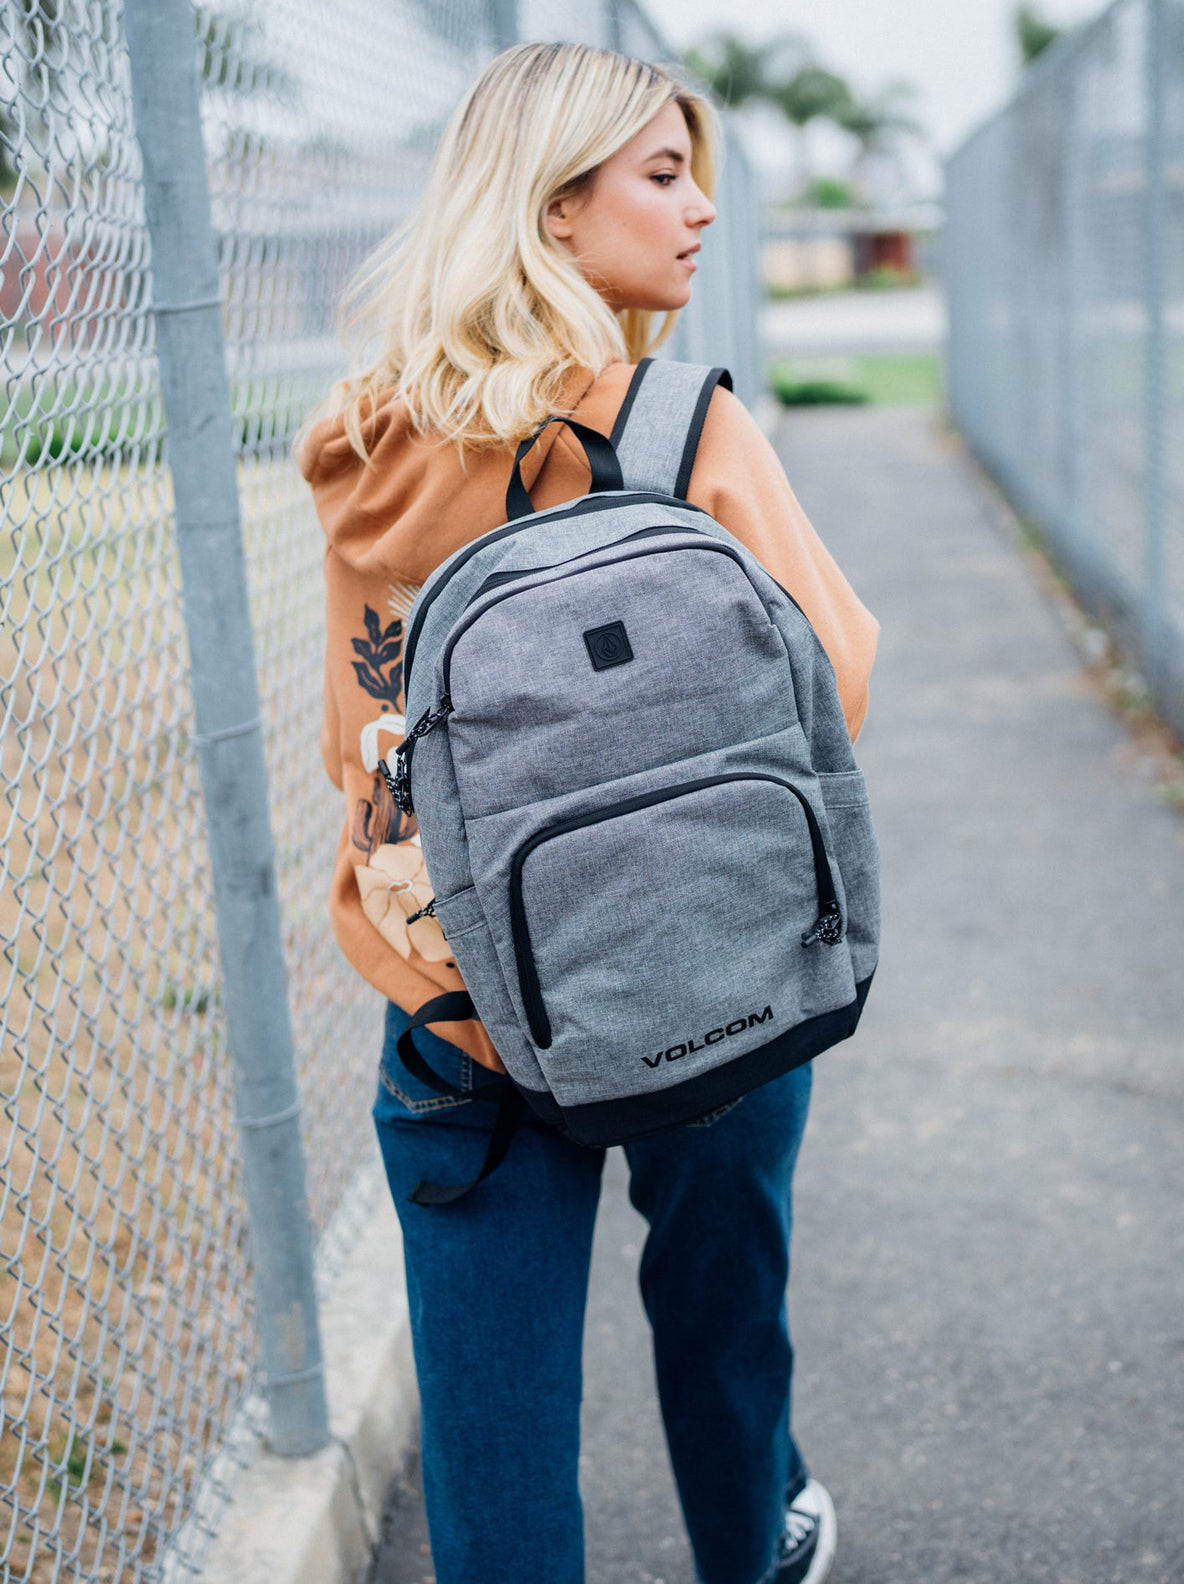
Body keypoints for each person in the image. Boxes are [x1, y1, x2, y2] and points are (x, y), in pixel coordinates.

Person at [299, 41, 878, 1584]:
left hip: (460, 1001)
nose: (700, 212)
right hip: (699, 973)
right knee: (720, 1321)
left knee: (495, 1467)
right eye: (663, 175)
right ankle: (754, 1545)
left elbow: (360, 741)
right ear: (556, 212)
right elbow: (839, 678)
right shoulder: (680, 427)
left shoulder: (366, 444)